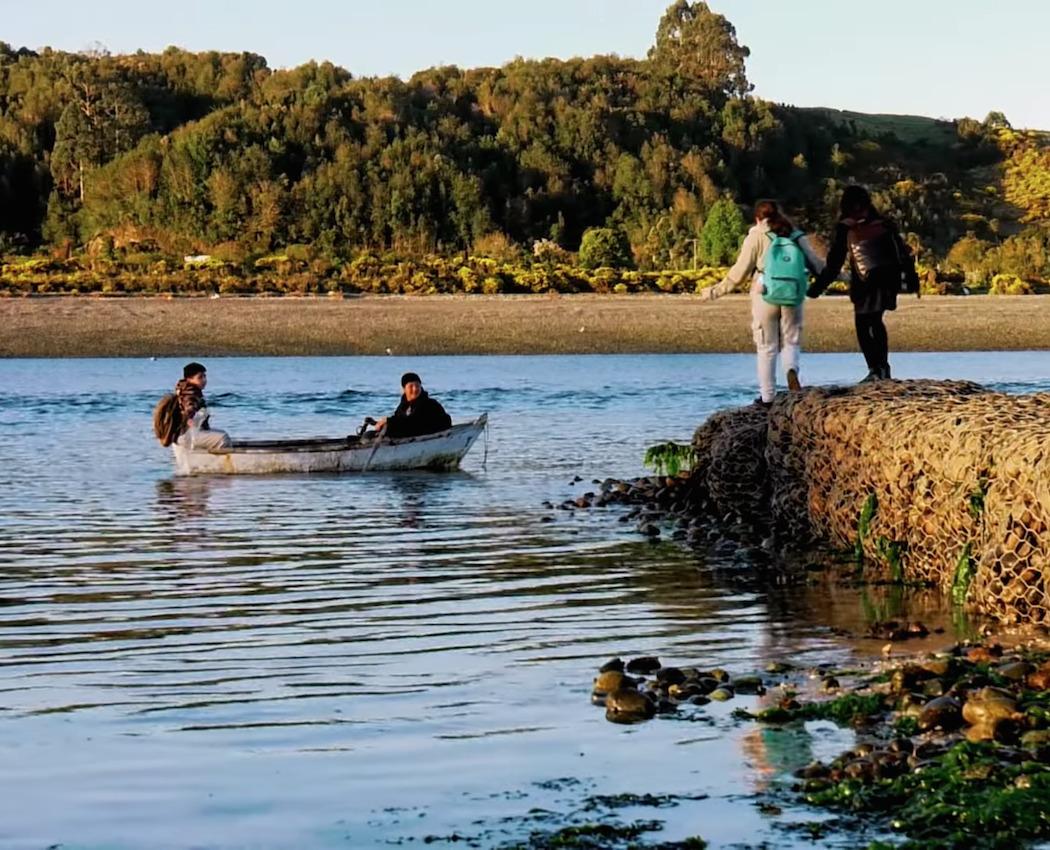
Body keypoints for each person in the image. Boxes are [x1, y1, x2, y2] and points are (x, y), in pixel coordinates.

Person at [702, 200, 824, 407]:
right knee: (791, 340)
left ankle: (768, 398)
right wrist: (847, 278)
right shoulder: (795, 235)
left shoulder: (756, 236)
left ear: (758, 218)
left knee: (766, 346)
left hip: (764, 292)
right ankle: (791, 370)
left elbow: (739, 272)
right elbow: (818, 266)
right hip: (793, 293)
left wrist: (715, 291)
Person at [807, 185, 919, 382]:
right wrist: (912, 280)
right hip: (889, 278)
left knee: (863, 324)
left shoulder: (846, 227)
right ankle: (883, 369)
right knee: (875, 321)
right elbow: (903, 254)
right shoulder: (884, 223)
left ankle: (875, 370)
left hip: (866, 280)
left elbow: (835, 262)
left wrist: (817, 287)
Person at [374, 372, 452, 438]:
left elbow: (413, 423)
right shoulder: (403, 406)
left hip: (427, 434)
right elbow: (399, 418)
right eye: (411, 386)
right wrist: (384, 423)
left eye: (417, 386)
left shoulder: (429, 404)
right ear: (404, 389)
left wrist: (389, 421)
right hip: (410, 434)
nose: (415, 389)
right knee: (369, 435)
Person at [174, 362, 231, 451]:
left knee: (222, 434)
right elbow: (189, 406)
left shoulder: (187, 390)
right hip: (187, 435)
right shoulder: (190, 393)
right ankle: (215, 462)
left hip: (185, 433)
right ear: (189, 379)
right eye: (200, 377)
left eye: (205, 376)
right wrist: (190, 417)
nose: (204, 380)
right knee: (222, 438)